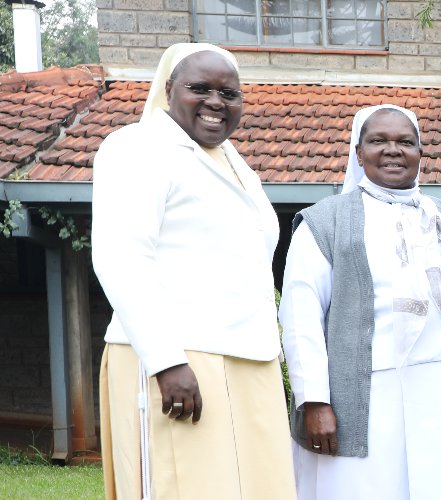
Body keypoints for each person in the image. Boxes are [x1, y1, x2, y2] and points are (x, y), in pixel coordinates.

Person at [92, 43, 294, 499]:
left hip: (250, 358)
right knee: (190, 487)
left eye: (229, 93)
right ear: (168, 90)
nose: (215, 102)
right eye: (199, 88)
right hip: (181, 359)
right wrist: (167, 360)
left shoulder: (236, 163)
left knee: (262, 488)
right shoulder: (138, 147)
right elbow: (122, 257)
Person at [278, 105, 441, 499]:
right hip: (375, 393)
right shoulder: (326, 222)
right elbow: (301, 316)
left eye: (405, 141)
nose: (392, 150)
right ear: (358, 152)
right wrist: (314, 400)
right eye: (378, 140)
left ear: (421, 153)